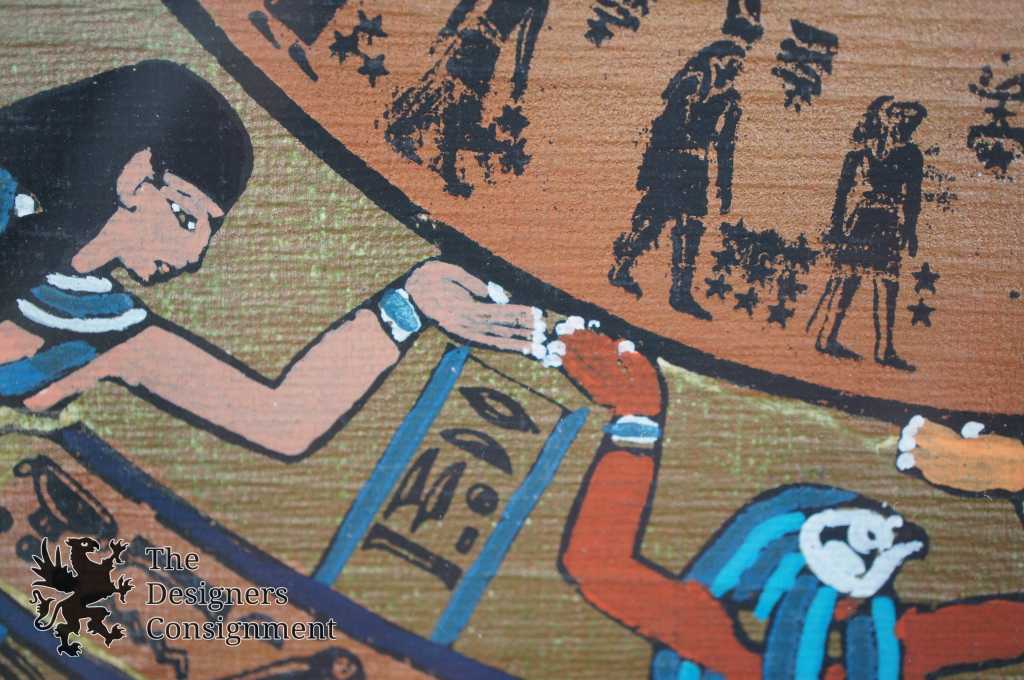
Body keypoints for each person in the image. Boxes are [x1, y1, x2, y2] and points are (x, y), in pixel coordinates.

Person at [0, 61, 544, 459]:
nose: (193, 255)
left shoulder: (98, 317)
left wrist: (407, 304)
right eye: (186, 218)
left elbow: (282, 419)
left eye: (208, 231)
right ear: (137, 178)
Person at [556, 327, 1024, 678]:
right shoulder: (901, 648)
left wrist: (636, 421)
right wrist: (1013, 473)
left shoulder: (707, 635)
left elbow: (597, 564)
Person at [608, 41, 747, 320]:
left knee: (691, 226)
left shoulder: (731, 101)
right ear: (718, 61)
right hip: (670, 163)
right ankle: (622, 267)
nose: (737, 69)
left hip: (696, 169)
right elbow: (665, 126)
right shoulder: (692, 83)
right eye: (733, 61)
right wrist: (651, 168)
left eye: (740, 65)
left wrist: (725, 186)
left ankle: (680, 292)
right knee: (653, 221)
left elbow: (726, 146)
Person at [807, 97, 926, 371]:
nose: (906, 124)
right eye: (901, 117)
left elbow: (913, 197)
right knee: (848, 278)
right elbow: (842, 193)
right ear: (887, 118)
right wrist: (837, 227)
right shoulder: (860, 153)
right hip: (861, 220)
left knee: (888, 282)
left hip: (889, 222)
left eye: (912, 121)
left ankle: (885, 348)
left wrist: (910, 230)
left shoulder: (911, 155)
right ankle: (827, 336)